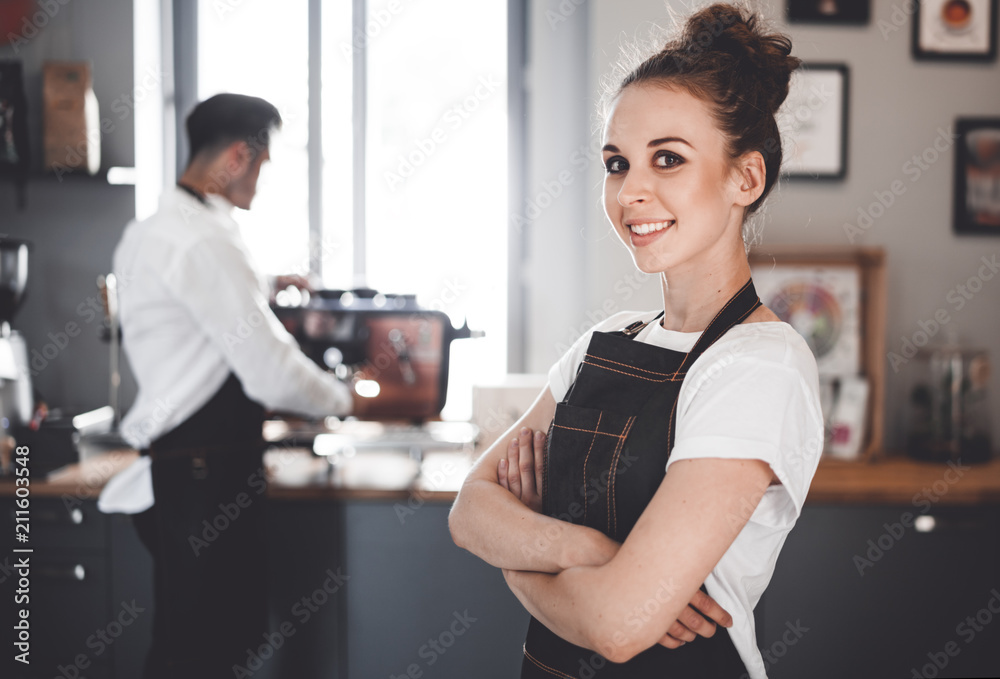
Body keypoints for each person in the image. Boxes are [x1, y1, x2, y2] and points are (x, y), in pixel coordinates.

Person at [449, 4, 824, 678]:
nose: (632, 192)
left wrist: (519, 550)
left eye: (669, 159)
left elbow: (618, 627)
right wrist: (593, 553)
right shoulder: (599, 342)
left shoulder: (760, 366)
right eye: (617, 163)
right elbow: (470, 511)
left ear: (746, 178)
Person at [98, 93, 354, 678]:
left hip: (181, 470)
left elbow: (191, 299)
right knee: (210, 652)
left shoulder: (154, 229)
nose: (261, 182)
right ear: (240, 155)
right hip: (205, 477)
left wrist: (262, 283)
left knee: (188, 644)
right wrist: (346, 399)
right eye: (263, 165)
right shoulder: (205, 241)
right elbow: (270, 370)